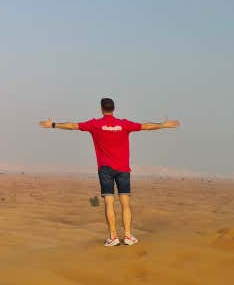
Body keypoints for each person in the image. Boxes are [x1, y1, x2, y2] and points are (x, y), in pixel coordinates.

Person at [39, 97, 180, 247]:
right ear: (114, 108)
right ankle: (127, 236)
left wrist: (53, 124)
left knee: (109, 202)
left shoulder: (95, 124)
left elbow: (73, 125)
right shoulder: (124, 124)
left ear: (101, 109)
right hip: (123, 169)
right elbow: (145, 126)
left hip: (105, 169)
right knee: (125, 203)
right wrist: (163, 125)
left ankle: (113, 237)